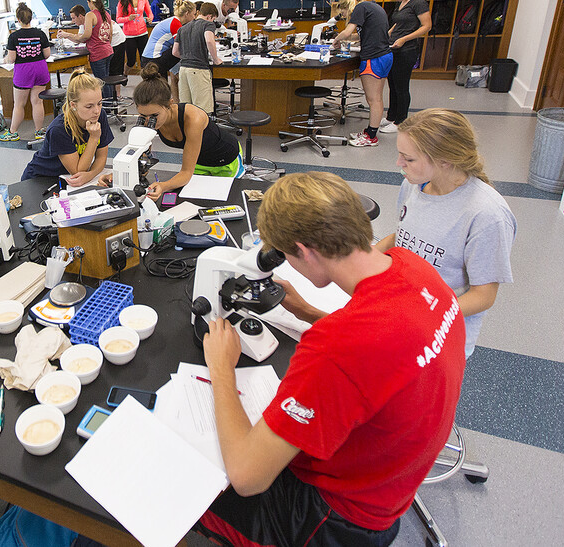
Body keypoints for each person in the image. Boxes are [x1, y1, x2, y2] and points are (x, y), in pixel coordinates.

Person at [196, 171, 466, 547]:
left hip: (341, 519)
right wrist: (306, 310)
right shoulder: (413, 268)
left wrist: (221, 369)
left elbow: (247, 476)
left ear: (305, 251)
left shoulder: (334, 347)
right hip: (392, 478)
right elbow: (386, 345)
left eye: (287, 255)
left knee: (192, 490)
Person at [375, 108, 516, 358]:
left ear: (445, 160)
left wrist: (426, 315)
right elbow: (404, 234)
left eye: (408, 159)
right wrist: (367, 256)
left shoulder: (487, 215)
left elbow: (483, 295)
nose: (399, 164)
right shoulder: (412, 184)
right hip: (402, 313)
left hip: (440, 335)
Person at [99, 63, 240, 198]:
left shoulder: (193, 118)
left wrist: (163, 186)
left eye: (154, 116)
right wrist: (117, 175)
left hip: (225, 160)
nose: (148, 121)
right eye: (143, 116)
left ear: (170, 104)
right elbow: (143, 158)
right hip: (199, 163)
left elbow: (186, 172)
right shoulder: (151, 120)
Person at [21, 69, 112, 185]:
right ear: (73, 105)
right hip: (41, 179)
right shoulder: (59, 129)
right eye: (89, 106)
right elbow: (78, 171)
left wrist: (90, 175)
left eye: (99, 103)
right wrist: (94, 138)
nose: (97, 111)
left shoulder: (99, 116)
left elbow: (101, 158)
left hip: (67, 178)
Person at [332, 0, 392, 147]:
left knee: (374, 99)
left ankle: (371, 137)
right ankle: (369, 132)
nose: (344, 16)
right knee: (376, 98)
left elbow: (346, 32)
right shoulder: (370, 7)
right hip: (383, 55)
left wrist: (335, 41)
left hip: (374, 58)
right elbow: (358, 36)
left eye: (343, 13)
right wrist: (344, 39)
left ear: (346, 6)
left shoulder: (360, 8)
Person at [383, 0, 432, 134]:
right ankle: (391, 116)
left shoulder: (419, 3)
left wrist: (404, 39)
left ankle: (400, 121)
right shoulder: (402, 2)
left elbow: (426, 26)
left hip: (406, 50)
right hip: (393, 47)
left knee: (401, 86)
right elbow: (399, 22)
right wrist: (388, 33)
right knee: (392, 83)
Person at [1, 3, 52, 143]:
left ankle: (13, 132)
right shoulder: (40, 33)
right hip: (40, 69)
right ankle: (39, 131)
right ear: (31, 18)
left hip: (23, 71)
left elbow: (11, 59)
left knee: (19, 104)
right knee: (37, 102)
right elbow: (47, 54)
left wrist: (4, 59)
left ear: (18, 19)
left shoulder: (14, 36)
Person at [57, 0, 114, 99]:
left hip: (97, 54)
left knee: (101, 82)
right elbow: (110, 34)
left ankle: (106, 107)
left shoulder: (90, 15)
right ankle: (110, 104)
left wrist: (69, 35)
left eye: (88, 2)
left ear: (91, 2)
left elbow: (85, 36)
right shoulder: (106, 14)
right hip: (108, 51)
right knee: (106, 80)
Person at [142, 0, 196, 102]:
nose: (194, 18)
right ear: (187, 13)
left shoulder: (174, 21)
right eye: (193, 14)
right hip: (153, 60)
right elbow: (181, 48)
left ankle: (178, 82)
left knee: (162, 92)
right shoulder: (176, 24)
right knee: (182, 57)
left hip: (151, 57)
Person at [173, 2, 222, 114]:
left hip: (183, 70)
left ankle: (188, 131)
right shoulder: (208, 24)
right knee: (202, 111)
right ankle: (203, 132)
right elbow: (209, 40)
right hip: (198, 70)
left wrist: (188, 56)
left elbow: (175, 52)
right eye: (213, 19)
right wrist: (215, 59)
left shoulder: (183, 28)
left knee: (186, 109)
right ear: (209, 16)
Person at [111, 0, 155, 76]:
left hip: (142, 32)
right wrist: (128, 18)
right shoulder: (122, 2)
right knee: (131, 60)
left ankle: (146, 78)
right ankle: (125, 73)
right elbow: (118, 19)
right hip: (129, 35)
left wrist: (150, 18)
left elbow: (150, 13)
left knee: (145, 58)